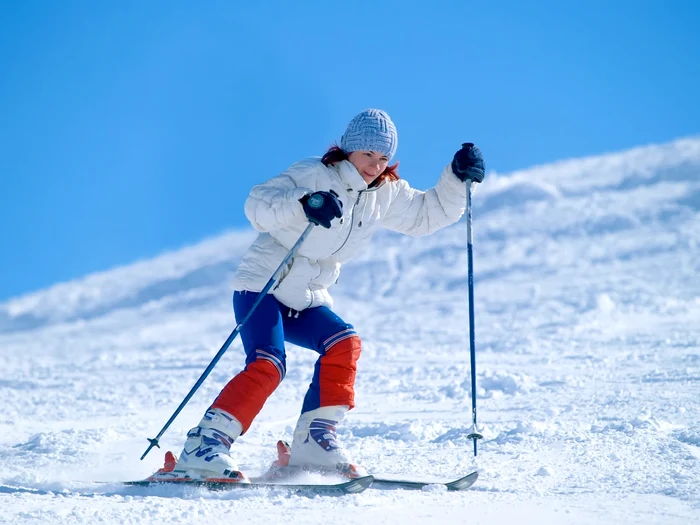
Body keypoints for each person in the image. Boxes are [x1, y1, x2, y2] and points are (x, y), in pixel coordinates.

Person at [171, 109, 485, 480]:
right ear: (349, 150)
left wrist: (457, 179)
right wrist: (306, 205)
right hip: (264, 284)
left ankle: (313, 442)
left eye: (383, 157)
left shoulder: (383, 192)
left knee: (344, 344)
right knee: (268, 364)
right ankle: (205, 446)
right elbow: (258, 205)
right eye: (368, 155)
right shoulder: (315, 174)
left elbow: (426, 215)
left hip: (306, 296)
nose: (374, 165)